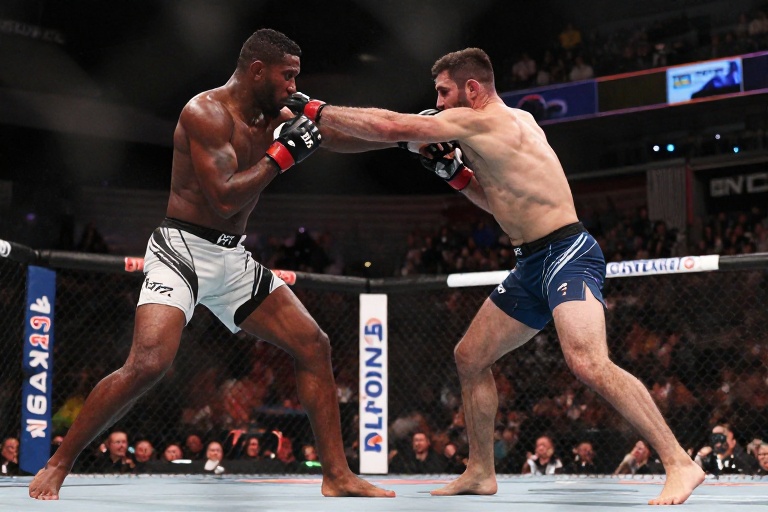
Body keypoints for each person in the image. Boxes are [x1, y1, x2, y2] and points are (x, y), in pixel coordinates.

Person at [301, 46, 704, 505]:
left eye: (444, 92)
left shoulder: (484, 121)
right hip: (531, 262)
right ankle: (480, 470)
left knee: (588, 362)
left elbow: (393, 127)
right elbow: (498, 202)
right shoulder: (508, 125)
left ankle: (680, 462)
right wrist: (456, 176)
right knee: (470, 356)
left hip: (568, 252)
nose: (439, 102)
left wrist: (317, 110)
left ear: (472, 89)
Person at [28, 28, 394, 500]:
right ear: (257, 70)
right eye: (287, 76)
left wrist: (402, 141)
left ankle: (337, 475)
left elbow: (334, 136)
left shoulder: (277, 113)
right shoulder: (205, 112)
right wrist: (282, 155)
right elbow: (223, 197)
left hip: (231, 257)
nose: (293, 86)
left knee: (313, 344)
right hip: (181, 251)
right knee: (148, 363)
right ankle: (58, 463)